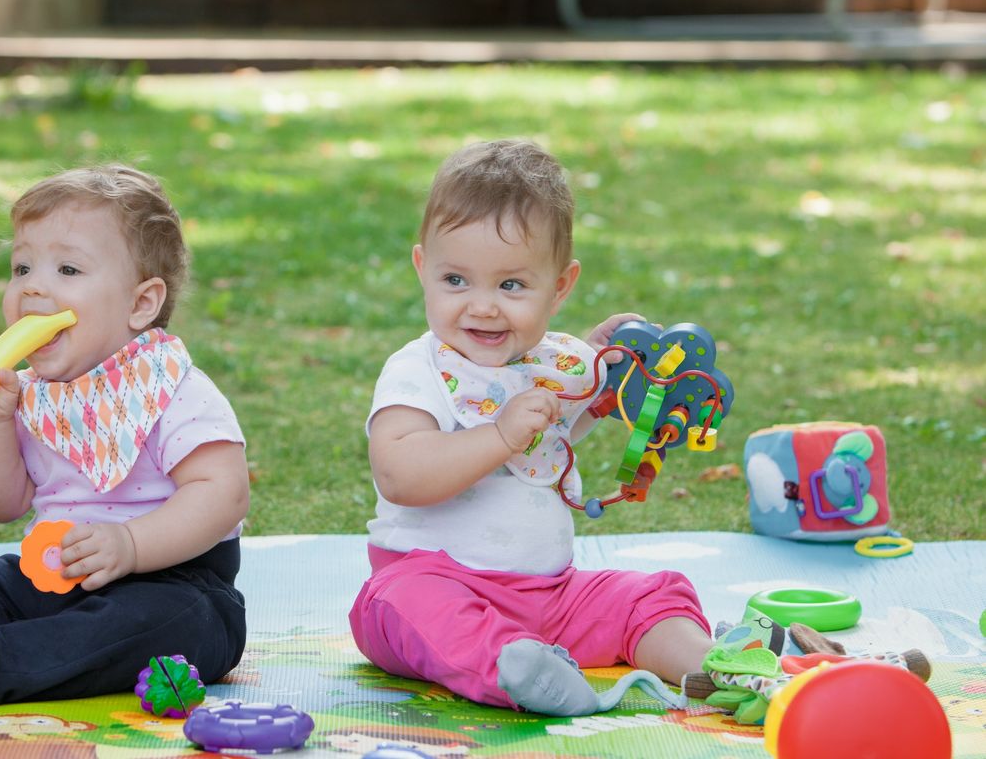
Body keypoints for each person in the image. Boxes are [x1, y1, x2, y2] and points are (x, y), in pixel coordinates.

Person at [347, 139, 915, 719]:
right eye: (455, 280)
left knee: (650, 593)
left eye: (512, 286)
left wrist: (603, 374)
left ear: (559, 287)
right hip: (436, 579)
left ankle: (722, 666)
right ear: (423, 269)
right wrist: (498, 435)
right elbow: (400, 473)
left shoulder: (548, 361)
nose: (483, 307)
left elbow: (560, 428)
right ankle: (513, 667)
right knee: (403, 607)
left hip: (551, 596)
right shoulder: (418, 370)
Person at [0, 164, 248, 716]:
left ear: (141, 304)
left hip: (171, 580)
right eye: (21, 266)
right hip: (56, 576)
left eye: (68, 268)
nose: (33, 286)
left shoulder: (172, 387)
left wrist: (131, 544)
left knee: (175, 623)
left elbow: (223, 493)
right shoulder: (36, 393)